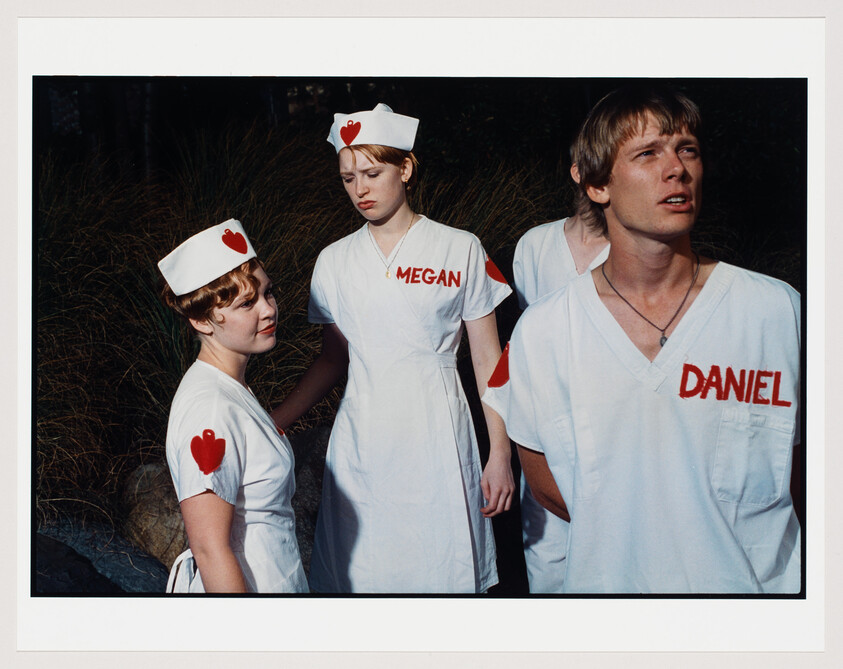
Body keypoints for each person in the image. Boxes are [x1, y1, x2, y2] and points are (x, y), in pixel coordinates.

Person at [483, 85, 801, 593]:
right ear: (596, 185)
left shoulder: (776, 311)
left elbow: (803, 472)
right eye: (648, 153)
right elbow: (545, 484)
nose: (676, 168)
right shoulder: (544, 331)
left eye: (687, 149)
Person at [271, 103, 515, 593]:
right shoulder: (334, 261)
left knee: (441, 570)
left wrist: (501, 453)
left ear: (404, 168)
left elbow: (490, 361)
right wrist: (274, 420)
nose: (359, 189)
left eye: (372, 173)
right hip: (363, 442)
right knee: (364, 575)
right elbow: (333, 359)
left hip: (438, 435)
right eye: (348, 178)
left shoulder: (460, 247)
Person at [159, 219, 307, 593]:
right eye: (247, 303)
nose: (268, 310)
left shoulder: (231, 387)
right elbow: (209, 550)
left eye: (268, 293)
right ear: (201, 320)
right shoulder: (210, 407)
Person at [511, 170, 609, 593]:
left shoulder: (634, 251)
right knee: (549, 571)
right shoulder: (534, 245)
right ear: (578, 170)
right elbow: (523, 347)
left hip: (611, 434)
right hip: (546, 437)